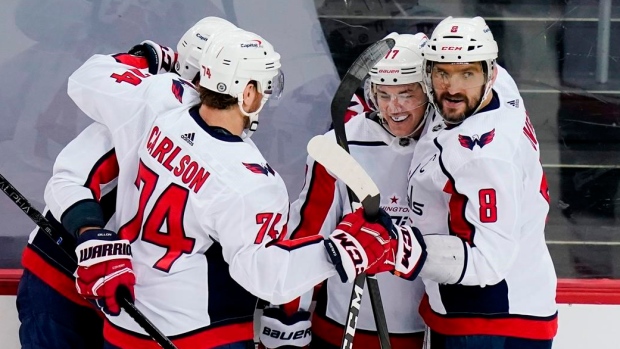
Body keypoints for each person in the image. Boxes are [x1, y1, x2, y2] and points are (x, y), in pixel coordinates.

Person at [60, 26, 422, 348]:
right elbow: (265, 276)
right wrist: (341, 251)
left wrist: (146, 56)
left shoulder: (157, 101)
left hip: (124, 321)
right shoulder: (249, 180)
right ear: (247, 93)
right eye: (265, 86)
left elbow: (87, 79)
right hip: (198, 333)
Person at [16, 16, 237, 349]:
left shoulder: (234, 127)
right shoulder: (145, 107)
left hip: (135, 295)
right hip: (64, 275)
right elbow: (70, 180)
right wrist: (92, 235)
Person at [258, 32, 431, 349]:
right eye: (384, 94)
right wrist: (288, 316)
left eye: (407, 94)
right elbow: (308, 231)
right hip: (341, 330)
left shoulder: (445, 143)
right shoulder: (340, 145)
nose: (394, 108)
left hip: (425, 332)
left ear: (429, 90)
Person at [407, 16, 558, 348]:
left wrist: (398, 248)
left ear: (488, 74)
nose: (453, 88)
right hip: (500, 307)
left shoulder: (483, 157)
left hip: (490, 323)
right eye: (442, 72)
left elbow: (488, 262)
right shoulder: (499, 88)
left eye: (467, 74)